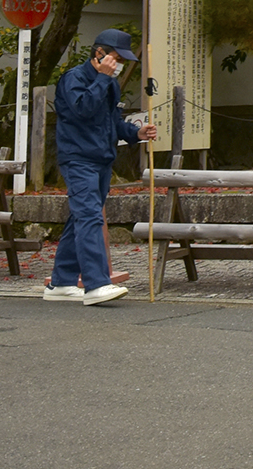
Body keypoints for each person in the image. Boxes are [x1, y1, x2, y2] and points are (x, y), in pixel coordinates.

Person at [47, 29, 157, 305]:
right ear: (100, 53)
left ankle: (61, 282)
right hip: (78, 157)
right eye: (116, 58)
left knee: (81, 217)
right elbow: (82, 109)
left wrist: (136, 133)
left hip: (101, 157)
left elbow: (111, 121)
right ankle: (96, 283)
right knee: (89, 217)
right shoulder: (74, 78)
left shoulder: (109, 82)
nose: (118, 65)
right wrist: (102, 78)